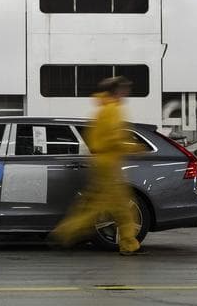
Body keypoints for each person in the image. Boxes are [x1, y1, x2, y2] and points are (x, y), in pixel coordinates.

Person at [50, 75, 141, 255]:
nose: (126, 94)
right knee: (115, 207)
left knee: (99, 205)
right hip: (109, 163)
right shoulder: (113, 110)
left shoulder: (102, 110)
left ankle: (66, 233)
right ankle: (65, 234)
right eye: (125, 90)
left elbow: (94, 138)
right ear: (118, 91)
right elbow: (114, 139)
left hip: (101, 162)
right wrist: (135, 147)